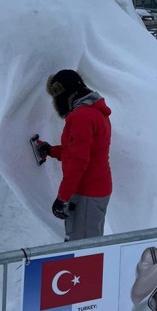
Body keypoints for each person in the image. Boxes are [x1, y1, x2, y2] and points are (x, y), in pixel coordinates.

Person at [37, 70, 112, 242]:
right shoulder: (93, 112)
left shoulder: (83, 116)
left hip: (88, 193)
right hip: (94, 189)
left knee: (83, 250)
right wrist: (50, 150)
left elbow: (78, 161)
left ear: (63, 93)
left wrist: (63, 197)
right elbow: (76, 151)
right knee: (85, 244)